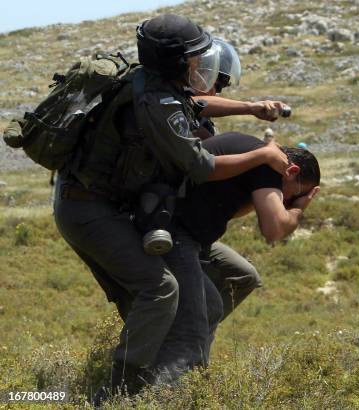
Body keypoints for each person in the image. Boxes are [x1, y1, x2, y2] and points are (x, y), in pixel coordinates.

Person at [52, 14, 289, 401]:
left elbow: (194, 103)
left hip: (102, 203)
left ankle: (170, 362)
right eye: (194, 57)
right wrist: (263, 155)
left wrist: (249, 107)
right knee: (160, 289)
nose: (200, 63)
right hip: (89, 209)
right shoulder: (155, 100)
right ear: (177, 60)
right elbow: (202, 166)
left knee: (209, 296)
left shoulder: (153, 81)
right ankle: (119, 391)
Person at [153, 131, 320, 382]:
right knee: (196, 322)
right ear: (292, 171)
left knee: (241, 277)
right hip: (173, 232)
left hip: (188, 234)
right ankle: (164, 392)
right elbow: (274, 230)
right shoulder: (269, 166)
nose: (288, 201)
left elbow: (232, 209)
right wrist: (298, 208)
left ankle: (192, 374)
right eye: (295, 194)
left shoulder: (260, 162)